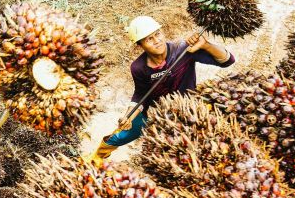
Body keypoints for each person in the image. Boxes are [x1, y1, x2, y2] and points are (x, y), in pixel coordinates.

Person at [85, 15, 236, 164]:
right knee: (119, 136)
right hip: (153, 113)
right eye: (149, 39)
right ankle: (97, 157)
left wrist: (206, 45)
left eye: (157, 34)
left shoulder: (184, 50)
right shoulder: (138, 67)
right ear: (140, 44)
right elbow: (140, 94)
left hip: (186, 112)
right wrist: (128, 116)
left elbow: (228, 61)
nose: (157, 41)